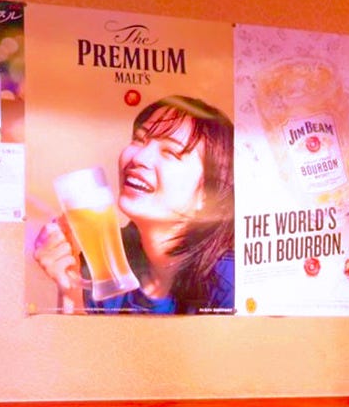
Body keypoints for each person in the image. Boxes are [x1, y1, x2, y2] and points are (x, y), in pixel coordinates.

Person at [34, 94, 235, 314]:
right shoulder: (104, 269)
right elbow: (79, 336)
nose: (139, 158)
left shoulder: (230, 282)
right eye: (139, 140)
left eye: (170, 152)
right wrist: (70, 288)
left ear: (207, 195)